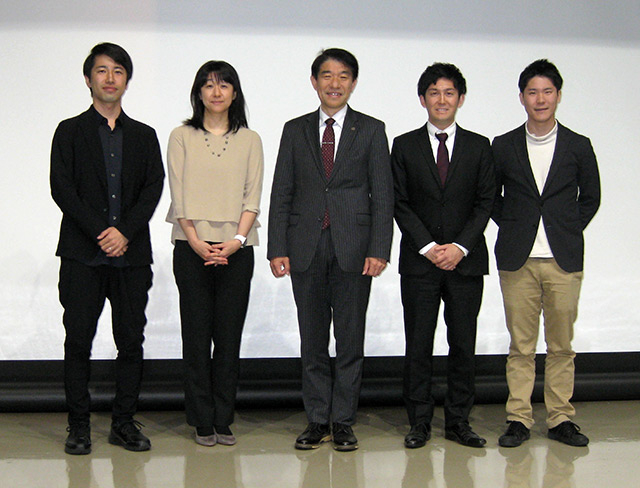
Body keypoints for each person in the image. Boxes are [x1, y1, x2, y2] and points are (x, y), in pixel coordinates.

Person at [267, 48, 394, 451]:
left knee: (351, 338)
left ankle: (343, 421)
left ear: (353, 83)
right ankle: (316, 419)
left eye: (343, 76)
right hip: (304, 246)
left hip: (355, 249)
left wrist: (379, 248)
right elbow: (281, 191)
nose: (334, 83)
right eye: (326, 75)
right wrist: (276, 246)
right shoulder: (295, 129)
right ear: (314, 81)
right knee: (313, 340)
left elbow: (383, 196)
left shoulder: (372, 130)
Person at [50, 42, 164, 454]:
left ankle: (123, 423)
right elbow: (61, 189)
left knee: (130, 341)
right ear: (88, 79)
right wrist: (103, 231)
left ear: (127, 81)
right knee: (78, 341)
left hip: (131, 257)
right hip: (82, 255)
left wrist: (125, 233)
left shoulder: (145, 136)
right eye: (102, 70)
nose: (110, 78)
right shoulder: (69, 131)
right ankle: (78, 426)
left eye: (118, 70)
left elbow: (152, 191)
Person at [492, 59, 600, 448]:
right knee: (520, 346)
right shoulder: (502, 146)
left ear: (558, 95)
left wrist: (564, 229)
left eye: (547, 91)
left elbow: (591, 198)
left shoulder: (578, 146)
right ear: (522, 97)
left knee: (560, 346)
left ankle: (559, 419)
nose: (540, 99)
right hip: (517, 259)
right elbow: (492, 199)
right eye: (533, 92)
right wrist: (517, 227)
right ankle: (518, 418)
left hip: (562, 260)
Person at [391, 63, 495, 449]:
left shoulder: (480, 146)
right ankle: (419, 422)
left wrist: (460, 247)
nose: (441, 99)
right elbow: (399, 202)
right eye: (433, 93)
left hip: (466, 262)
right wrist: (430, 248)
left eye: (449, 92)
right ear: (423, 100)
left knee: (462, 344)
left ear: (461, 99)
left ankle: (459, 422)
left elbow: (485, 203)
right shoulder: (403, 145)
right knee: (418, 344)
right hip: (420, 262)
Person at [166, 61, 264, 447]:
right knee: (196, 334)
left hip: (237, 250)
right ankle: (200, 418)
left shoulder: (250, 139)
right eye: (208, 85)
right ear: (198, 92)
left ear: (235, 93)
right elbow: (179, 194)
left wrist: (235, 242)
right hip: (190, 248)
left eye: (224, 85)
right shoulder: (181, 136)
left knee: (227, 337)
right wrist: (195, 241)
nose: (216, 91)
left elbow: (252, 197)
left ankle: (223, 417)